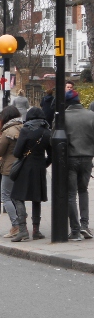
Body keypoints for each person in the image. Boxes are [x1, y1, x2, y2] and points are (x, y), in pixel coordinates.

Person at [10, 107, 52, 242]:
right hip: (39, 168)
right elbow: (51, 155)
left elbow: (17, 153)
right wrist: (43, 163)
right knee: (36, 198)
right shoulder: (47, 131)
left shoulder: (26, 130)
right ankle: (36, 230)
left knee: (17, 197)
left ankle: (23, 230)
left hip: (25, 167)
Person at [64, 90, 94, 241]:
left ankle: (75, 230)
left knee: (70, 194)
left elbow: (54, 140)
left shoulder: (62, 116)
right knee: (83, 191)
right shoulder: (91, 115)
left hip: (70, 159)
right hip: (87, 158)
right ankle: (84, 225)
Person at [0, 105, 23, 238]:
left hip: (9, 168)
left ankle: (16, 225)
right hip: (21, 166)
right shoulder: (22, 127)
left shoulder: (7, 131)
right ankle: (21, 225)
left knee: (5, 196)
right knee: (17, 197)